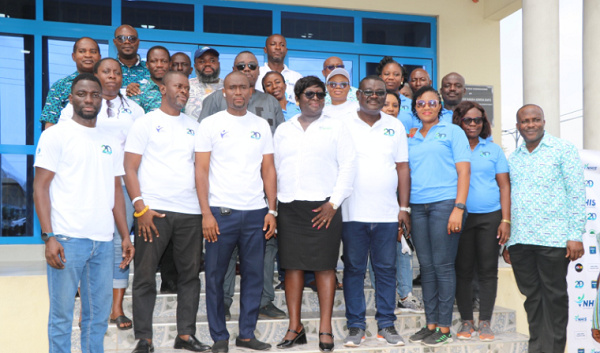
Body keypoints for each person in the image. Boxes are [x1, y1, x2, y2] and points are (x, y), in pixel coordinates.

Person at [34, 73, 134, 353]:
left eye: (94, 94)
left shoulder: (110, 139)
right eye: (82, 94)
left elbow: (116, 190)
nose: (88, 99)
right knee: (62, 317)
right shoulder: (55, 135)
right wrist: (48, 236)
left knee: (97, 318)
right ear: (71, 98)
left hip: (103, 241)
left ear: (102, 98)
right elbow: (40, 188)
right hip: (67, 239)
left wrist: (125, 236)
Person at [124, 71, 210, 353]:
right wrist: (140, 207)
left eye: (186, 86)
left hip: (189, 213)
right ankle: (144, 339)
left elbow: (201, 171)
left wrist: (204, 210)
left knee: (189, 276)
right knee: (146, 276)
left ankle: (185, 335)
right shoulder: (145, 123)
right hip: (153, 212)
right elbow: (130, 168)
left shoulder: (194, 126)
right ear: (163, 89)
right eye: (178, 86)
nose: (183, 90)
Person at [58, 58, 144, 330]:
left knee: (121, 243)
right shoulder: (74, 108)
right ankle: (88, 308)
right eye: (106, 72)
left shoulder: (136, 109)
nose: (112, 77)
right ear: (95, 75)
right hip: (85, 184)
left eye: (117, 73)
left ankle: (116, 309)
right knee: (86, 241)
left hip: (122, 185)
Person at [199, 52, 286, 321]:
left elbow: (269, 167)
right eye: (233, 85)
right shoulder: (211, 117)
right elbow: (201, 168)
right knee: (218, 269)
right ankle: (221, 318)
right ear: (224, 91)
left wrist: (272, 209)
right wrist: (206, 213)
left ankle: (249, 329)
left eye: (244, 85)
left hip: (256, 208)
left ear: (251, 88)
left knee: (256, 269)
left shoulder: (263, 119)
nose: (239, 91)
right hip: (221, 208)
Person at [274, 76, 356, 352]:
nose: (317, 99)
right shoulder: (284, 130)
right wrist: (272, 208)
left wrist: (333, 204)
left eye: (321, 95)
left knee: (325, 267)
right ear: (297, 98)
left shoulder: (336, 127)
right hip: (289, 206)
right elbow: (273, 169)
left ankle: (325, 328)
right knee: (292, 267)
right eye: (310, 94)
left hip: (324, 208)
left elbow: (348, 167)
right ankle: (294, 327)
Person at [503, 104, 585, 353]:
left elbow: (577, 194)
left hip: (555, 239)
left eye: (535, 120)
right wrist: (508, 242)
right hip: (521, 241)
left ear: (543, 121)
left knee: (555, 298)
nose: (530, 125)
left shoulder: (563, 150)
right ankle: (537, 347)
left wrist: (575, 236)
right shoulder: (513, 158)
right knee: (532, 299)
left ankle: (554, 349)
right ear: (518, 126)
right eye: (525, 121)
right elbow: (510, 198)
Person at [340, 76, 408, 347]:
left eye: (380, 93)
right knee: (354, 270)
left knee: (386, 270)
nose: (374, 96)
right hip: (351, 212)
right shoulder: (343, 124)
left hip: (387, 214)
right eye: (368, 92)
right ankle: (356, 327)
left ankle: (386, 325)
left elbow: (402, 167)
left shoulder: (395, 125)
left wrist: (404, 208)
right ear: (358, 95)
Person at [406, 86, 470, 347]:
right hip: (418, 207)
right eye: (421, 103)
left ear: (440, 105)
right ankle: (430, 323)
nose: (426, 107)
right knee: (427, 267)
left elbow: (464, 172)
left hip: (445, 205)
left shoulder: (453, 131)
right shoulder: (411, 138)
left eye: (432, 102)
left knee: (443, 267)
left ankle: (444, 327)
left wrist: (459, 207)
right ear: (416, 108)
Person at [451, 101, 510, 341]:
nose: (473, 124)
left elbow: (504, 185)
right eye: (468, 120)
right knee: (462, 270)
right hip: (460, 216)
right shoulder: (452, 147)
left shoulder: (493, 149)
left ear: (483, 123)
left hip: (490, 216)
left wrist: (506, 219)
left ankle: (485, 321)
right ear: (459, 122)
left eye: (478, 120)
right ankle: (466, 320)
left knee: (488, 270)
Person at [200, 51, 285, 133]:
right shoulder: (215, 98)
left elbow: (282, 136)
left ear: (258, 70)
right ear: (234, 69)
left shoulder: (271, 101)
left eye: (252, 66)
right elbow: (202, 133)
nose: (247, 69)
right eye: (241, 66)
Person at [41, 37, 101, 129]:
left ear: (99, 57)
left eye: (93, 51)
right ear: (73, 56)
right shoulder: (60, 85)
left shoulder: (108, 84)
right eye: (82, 51)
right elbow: (50, 125)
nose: (88, 55)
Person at [255, 34, 302, 102]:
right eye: (273, 44)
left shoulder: (297, 77)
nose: (278, 47)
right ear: (265, 50)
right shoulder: (257, 74)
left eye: (282, 45)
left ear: (286, 51)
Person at [184, 47, 224, 121]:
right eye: (202, 61)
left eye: (212, 61)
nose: (207, 64)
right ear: (195, 66)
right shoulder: (186, 85)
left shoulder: (228, 86)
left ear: (218, 64)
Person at [129, 46, 171, 113]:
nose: (159, 65)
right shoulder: (137, 91)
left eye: (164, 61)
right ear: (147, 65)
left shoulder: (178, 90)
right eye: (154, 61)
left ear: (170, 64)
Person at [376, 56, 412, 131]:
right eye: (386, 74)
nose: (391, 77)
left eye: (396, 74)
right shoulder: (373, 100)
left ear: (402, 79)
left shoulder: (412, 104)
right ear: (380, 77)